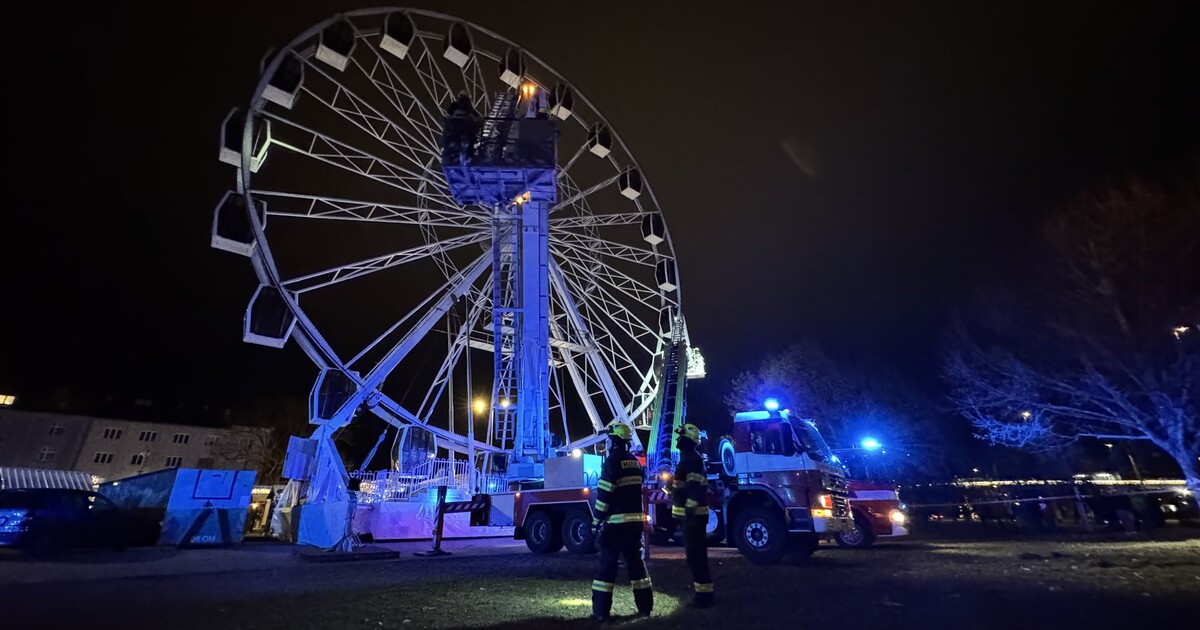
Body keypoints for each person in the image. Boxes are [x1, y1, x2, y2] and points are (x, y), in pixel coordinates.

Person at [590, 423, 652, 621]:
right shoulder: (634, 462)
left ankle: (601, 612)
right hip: (634, 524)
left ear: (613, 440)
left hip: (616, 524)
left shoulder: (612, 462)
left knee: (608, 567)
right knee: (637, 566)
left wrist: (596, 520)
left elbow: (604, 495)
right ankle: (645, 608)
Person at [671, 423, 714, 607]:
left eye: (680, 437)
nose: (677, 440)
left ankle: (704, 597)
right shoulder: (689, 458)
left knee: (696, 557)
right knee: (696, 556)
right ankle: (703, 594)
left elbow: (694, 487)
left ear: (687, 440)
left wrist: (688, 508)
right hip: (692, 516)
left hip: (693, 517)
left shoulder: (690, 459)